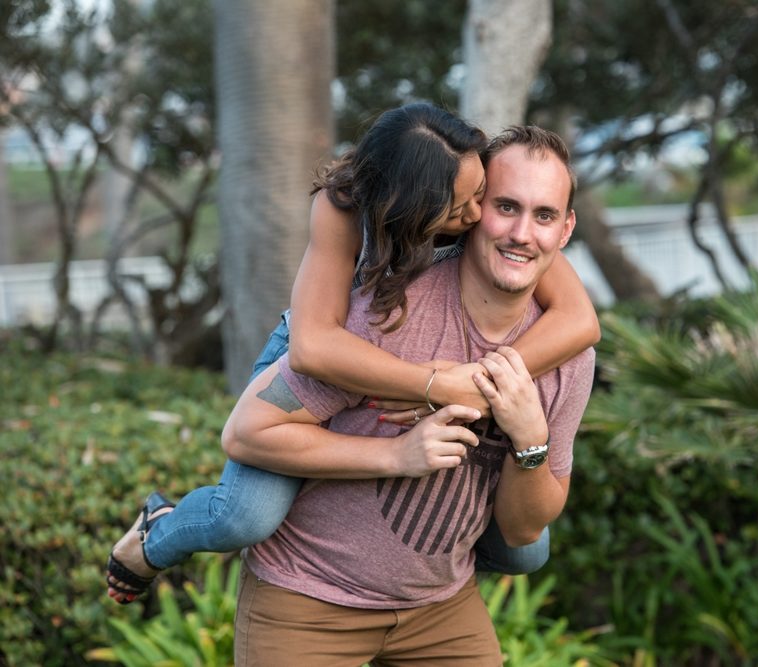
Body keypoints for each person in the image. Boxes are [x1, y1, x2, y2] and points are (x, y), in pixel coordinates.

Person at [105, 104, 600, 604]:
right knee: (245, 517)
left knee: (528, 553)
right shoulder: (343, 209)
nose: (476, 218)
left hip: (400, 341)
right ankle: (159, 532)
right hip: (321, 337)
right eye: (463, 207)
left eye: (482, 198)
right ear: (414, 201)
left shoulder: (485, 208)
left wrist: (474, 385)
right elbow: (315, 347)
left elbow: (581, 320)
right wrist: (431, 385)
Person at [223, 125, 596, 665]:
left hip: (440, 610)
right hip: (310, 597)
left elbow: (520, 529)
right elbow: (248, 428)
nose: (521, 232)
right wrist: (404, 441)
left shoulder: (568, 358)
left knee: (526, 551)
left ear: (565, 230)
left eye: (543, 216)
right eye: (505, 206)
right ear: (469, 213)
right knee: (243, 513)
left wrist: (529, 436)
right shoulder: (384, 313)